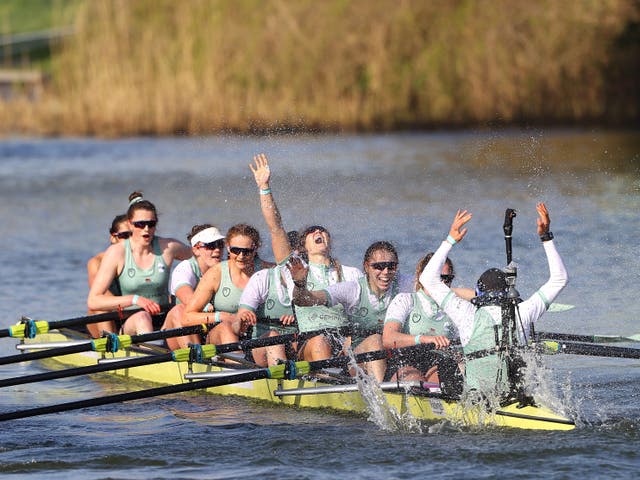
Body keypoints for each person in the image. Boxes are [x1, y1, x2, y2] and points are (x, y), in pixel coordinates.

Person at [419, 203, 568, 396]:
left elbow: (427, 279)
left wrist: (450, 240)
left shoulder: (466, 313)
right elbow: (560, 278)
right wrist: (545, 236)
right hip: (511, 395)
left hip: (477, 398)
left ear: (478, 295)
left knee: (446, 360)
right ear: (507, 293)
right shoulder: (523, 311)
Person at [249, 153, 362, 362]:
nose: (318, 232)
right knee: (320, 341)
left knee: (367, 340)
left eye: (322, 230)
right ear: (303, 245)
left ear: (329, 240)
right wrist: (264, 188)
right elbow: (276, 228)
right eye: (312, 232)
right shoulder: (294, 267)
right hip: (311, 342)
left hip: (345, 339)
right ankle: (328, 386)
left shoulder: (351, 273)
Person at [288, 241, 412, 381]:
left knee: (411, 374)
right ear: (366, 266)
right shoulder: (353, 289)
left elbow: (431, 285)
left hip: (393, 357)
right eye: (378, 266)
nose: (386, 272)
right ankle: (381, 395)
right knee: (376, 341)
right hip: (357, 360)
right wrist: (299, 284)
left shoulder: (404, 283)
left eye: (391, 266)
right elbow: (305, 300)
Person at [87, 192, 192, 335]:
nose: (146, 229)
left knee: (180, 311)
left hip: (163, 318)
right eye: (140, 224)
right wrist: (135, 299)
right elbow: (94, 301)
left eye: (151, 224)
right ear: (130, 224)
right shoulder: (117, 253)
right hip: (131, 321)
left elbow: (200, 256)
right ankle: (152, 352)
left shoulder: (168, 247)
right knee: (142, 317)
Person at [382, 252, 471, 388]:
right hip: (406, 360)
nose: (441, 283)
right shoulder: (405, 300)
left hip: (438, 362)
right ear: (422, 277)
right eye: (437, 278)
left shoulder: (454, 308)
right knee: (415, 382)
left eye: (446, 279)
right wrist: (424, 339)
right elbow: (388, 339)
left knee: (445, 381)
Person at [183, 223, 273, 345]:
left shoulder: (270, 271)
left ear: (256, 248)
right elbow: (187, 317)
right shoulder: (216, 273)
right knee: (226, 328)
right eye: (236, 250)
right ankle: (237, 361)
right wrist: (221, 316)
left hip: (258, 338)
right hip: (220, 336)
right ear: (228, 247)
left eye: (247, 251)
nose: (241, 256)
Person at [162, 224, 225, 350]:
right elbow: (188, 299)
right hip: (177, 333)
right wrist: (207, 307)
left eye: (220, 244)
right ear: (196, 250)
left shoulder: (226, 268)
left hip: (207, 330)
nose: (217, 250)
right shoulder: (185, 269)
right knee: (179, 310)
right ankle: (196, 359)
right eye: (211, 246)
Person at [86, 214, 130, 337]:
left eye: (132, 235)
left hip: (135, 312)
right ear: (113, 237)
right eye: (124, 236)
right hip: (111, 314)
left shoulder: (145, 258)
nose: (129, 241)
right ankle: (111, 347)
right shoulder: (96, 262)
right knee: (100, 306)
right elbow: (100, 297)